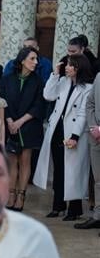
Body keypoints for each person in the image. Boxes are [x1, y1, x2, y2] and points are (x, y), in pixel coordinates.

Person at [34, 54, 95, 222]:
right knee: (59, 170)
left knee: (74, 172)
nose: (66, 67)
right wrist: (54, 74)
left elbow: (82, 114)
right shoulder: (63, 81)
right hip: (57, 130)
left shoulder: (88, 88)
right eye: (67, 64)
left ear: (79, 67)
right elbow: (48, 95)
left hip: (74, 133)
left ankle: (75, 209)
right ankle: (58, 205)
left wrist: (75, 136)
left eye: (70, 65)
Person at [0, 47, 45, 212]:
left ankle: (21, 195)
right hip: (10, 124)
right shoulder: (7, 79)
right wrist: (10, 120)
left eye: (36, 59)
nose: (35, 62)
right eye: (32, 59)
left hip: (29, 125)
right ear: (22, 60)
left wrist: (20, 121)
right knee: (12, 161)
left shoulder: (38, 81)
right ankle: (11, 194)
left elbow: (39, 105)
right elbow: (3, 101)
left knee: (25, 161)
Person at [76, 73, 100, 230]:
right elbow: (90, 103)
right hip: (96, 136)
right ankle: (98, 216)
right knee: (98, 180)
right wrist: (93, 127)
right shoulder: (99, 77)